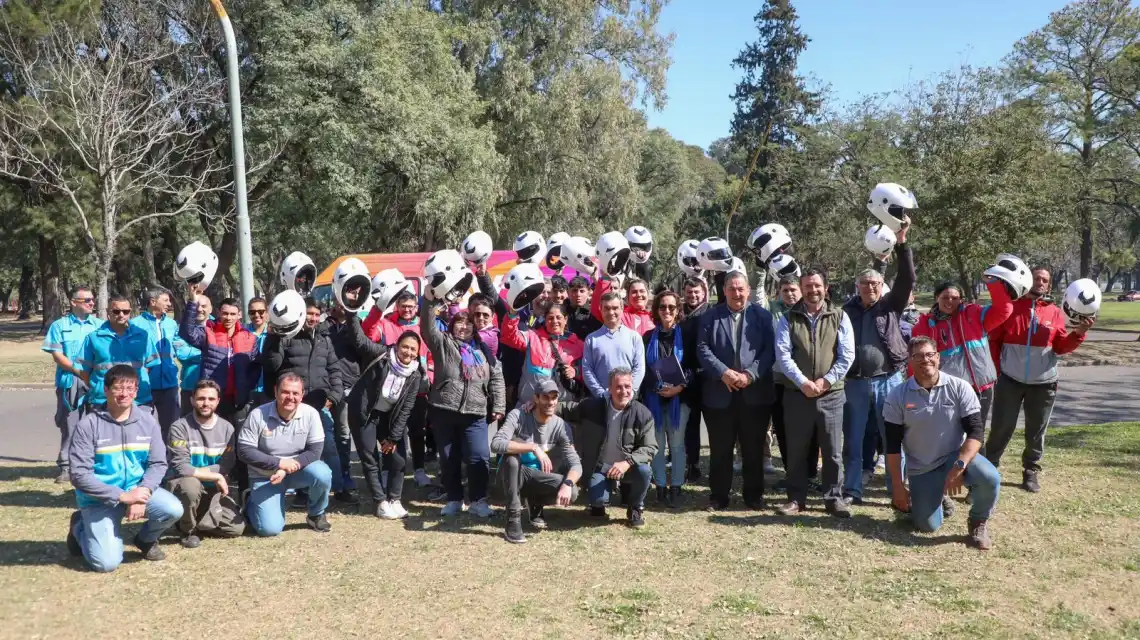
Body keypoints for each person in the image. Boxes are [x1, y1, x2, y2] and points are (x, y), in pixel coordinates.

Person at [883, 337, 1000, 549]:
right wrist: (898, 488)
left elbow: (976, 433)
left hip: (955, 458)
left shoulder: (960, 387)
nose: (924, 360)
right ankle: (937, 500)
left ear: (938, 357)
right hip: (922, 468)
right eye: (917, 356)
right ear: (910, 361)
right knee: (926, 526)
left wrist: (959, 466)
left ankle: (978, 522)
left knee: (990, 477)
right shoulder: (897, 395)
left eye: (929, 355)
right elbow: (892, 446)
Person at [66, 365, 183, 571]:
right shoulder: (88, 425)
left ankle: (145, 539)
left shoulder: (147, 422)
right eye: (118, 388)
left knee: (173, 509)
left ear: (137, 391)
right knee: (106, 563)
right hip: (99, 500)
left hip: (138, 490)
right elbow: (79, 475)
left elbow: (158, 463)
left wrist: (142, 492)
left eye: (130, 389)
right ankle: (80, 527)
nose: (124, 394)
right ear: (106, 390)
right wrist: (122, 496)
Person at [986, 267, 1092, 493]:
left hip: (1044, 384)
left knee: (1036, 430)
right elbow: (994, 341)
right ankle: (989, 467)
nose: (1040, 282)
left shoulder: (1054, 313)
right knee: (1001, 427)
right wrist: (997, 371)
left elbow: (1061, 346)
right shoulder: (1011, 308)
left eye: (1045, 280)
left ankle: (1031, 471)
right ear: (1027, 279)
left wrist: (1080, 331)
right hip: (1010, 380)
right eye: (1036, 278)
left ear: (1049, 285)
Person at [840, 219, 913, 503]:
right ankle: (852, 489)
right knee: (854, 439)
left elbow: (907, 279)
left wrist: (902, 243)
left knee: (893, 438)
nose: (869, 287)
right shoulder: (846, 311)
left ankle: (898, 489)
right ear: (857, 286)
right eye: (864, 283)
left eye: (874, 283)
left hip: (889, 381)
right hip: (855, 384)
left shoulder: (889, 306)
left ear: (881, 286)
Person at [775, 269, 855, 517]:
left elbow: (847, 355)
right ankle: (796, 500)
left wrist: (825, 381)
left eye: (817, 286)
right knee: (797, 450)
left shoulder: (840, 316)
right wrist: (803, 383)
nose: (813, 290)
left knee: (832, 451)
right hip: (797, 395)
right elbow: (783, 355)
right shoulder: (788, 319)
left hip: (831, 394)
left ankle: (833, 499)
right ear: (801, 288)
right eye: (807, 286)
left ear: (826, 287)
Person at [696, 271, 776, 511]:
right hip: (719, 395)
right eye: (732, 289)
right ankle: (719, 496)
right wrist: (724, 373)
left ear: (748, 290)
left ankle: (753, 496)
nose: (737, 293)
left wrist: (749, 375)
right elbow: (702, 348)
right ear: (724, 291)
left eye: (741, 289)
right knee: (720, 450)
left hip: (754, 395)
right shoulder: (710, 316)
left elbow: (770, 351)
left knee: (753, 449)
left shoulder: (762, 316)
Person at [261, 297, 351, 504]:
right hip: (292, 406)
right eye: (309, 313)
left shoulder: (324, 339)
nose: (313, 318)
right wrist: (274, 338)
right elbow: (272, 366)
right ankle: (302, 492)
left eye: (317, 315)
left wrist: (333, 396)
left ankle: (339, 488)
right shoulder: (286, 337)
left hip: (319, 406)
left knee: (329, 448)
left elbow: (334, 370)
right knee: (297, 450)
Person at [420, 301, 506, 517]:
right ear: (451, 326)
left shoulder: (483, 349)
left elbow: (496, 377)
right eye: (459, 323)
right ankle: (454, 499)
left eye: (469, 324)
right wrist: (430, 302)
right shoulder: (443, 343)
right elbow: (427, 328)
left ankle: (478, 500)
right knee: (449, 458)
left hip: (476, 412)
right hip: (444, 409)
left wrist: (498, 405)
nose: (464, 327)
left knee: (479, 456)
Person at [343, 305, 425, 519]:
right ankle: (380, 502)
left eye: (413, 350)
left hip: (388, 416)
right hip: (364, 412)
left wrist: (393, 437)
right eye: (404, 347)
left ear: (417, 354)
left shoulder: (415, 374)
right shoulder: (381, 355)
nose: (407, 352)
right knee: (370, 457)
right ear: (397, 346)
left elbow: (406, 407)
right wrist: (351, 311)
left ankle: (395, 499)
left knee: (398, 457)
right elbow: (359, 340)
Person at [180, 288, 260, 494]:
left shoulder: (249, 337)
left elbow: (255, 367)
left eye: (233, 314)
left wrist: (246, 387)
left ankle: (244, 491)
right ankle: (211, 491)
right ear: (219, 312)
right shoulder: (209, 332)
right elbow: (186, 333)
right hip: (214, 402)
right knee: (213, 446)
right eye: (224, 313)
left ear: (239, 315)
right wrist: (192, 302)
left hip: (239, 402)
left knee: (242, 446)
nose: (228, 318)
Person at [554, 368, 656, 528]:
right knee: (598, 500)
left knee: (644, 471)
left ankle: (635, 507)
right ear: (609, 388)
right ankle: (598, 504)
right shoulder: (594, 407)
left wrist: (627, 462)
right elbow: (567, 408)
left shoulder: (643, 414)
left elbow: (650, 447)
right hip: (601, 468)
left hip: (628, 467)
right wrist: (541, 404)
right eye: (619, 387)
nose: (624, 391)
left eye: (627, 386)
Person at [238, 373, 333, 535]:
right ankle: (251, 502)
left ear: (302, 395)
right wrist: (279, 464)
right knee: (269, 529)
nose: (290, 397)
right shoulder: (257, 414)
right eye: (285, 392)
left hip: (296, 471)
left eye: (295, 393)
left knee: (322, 473)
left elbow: (315, 451)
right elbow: (244, 451)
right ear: (276, 391)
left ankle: (316, 514)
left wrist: (285, 468)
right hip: (265, 476)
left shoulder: (311, 414)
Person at [912, 278, 1016, 427]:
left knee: (976, 434)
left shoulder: (973, 314)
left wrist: (994, 283)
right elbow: (916, 360)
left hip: (980, 388)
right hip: (947, 391)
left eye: (955, 298)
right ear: (937, 298)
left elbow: (1004, 310)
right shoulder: (924, 325)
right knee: (950, 435)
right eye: (945, 297)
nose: (950, 301)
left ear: (961, 300)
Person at [492, 379, 582, 543]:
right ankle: (513, 519)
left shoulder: (561, 426)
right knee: (511, 459)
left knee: (573, 491)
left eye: (554, 397)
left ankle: (534, 503)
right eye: (546, 397)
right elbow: (496, 444)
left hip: (537, 477)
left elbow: (576, 464)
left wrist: (567, 485)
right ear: (536, 398)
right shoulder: (518, 415)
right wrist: (533, 447)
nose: (550, 402)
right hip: (510, 476)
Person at [363, 290, 435, 488]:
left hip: (418, 388)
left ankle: (419, 470)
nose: (407, 310)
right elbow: (369, 331)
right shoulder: (387, 323)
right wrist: (377, 309)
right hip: (391, 390)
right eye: (403, 306)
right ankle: (388, 470)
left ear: (416, 308)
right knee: (392, 432)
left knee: (417, 431)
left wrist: (429, 376)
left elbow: (432, 353)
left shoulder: (424, 326)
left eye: (411, 307)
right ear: (397, 307)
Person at [166, 380, 246, 548]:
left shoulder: (227, 428)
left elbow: (227, 464)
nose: (206, 403)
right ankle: (187, 530)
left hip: (213, 489)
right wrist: (215, 475)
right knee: (190, 485)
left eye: (211, 399)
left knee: (236, 528)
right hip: (185, 485)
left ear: (218, 401)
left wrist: (212, 475)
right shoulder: (179, 427)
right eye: (201, 398)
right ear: (192, 400)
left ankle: (197, 520)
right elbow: (181, 467)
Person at [643, 290, 697, 507]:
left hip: (679, 399)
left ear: (678, 310)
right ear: (656, 309)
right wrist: (655, 386)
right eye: (663, 306)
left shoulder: (686, 335)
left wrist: (679, 387)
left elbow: (693, 367)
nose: (667, 311)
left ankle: (676, 487)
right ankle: (660, 488)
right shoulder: (647, 337)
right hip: (653, 399)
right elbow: (644, 370)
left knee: (676, 445)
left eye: (671, 307)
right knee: (656, 445)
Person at [41, 285, 99, 483]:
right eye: (87, 300)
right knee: (70, 424)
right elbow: (57, 355)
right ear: (74, 302)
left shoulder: (99, 325)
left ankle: (91, 464)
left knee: (96, 424)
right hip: (70, 380)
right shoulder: (59, 325)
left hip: (94, 381)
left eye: (93, 299)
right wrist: (77, 371)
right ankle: (67, 466)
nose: (92, 303)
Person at [767, 276, 819, 487]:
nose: (789, 294)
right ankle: (792, 474)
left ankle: (810, 474)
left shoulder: (809, 312)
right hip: (780, 382)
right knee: (783, 429)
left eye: (793, 290)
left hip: (807, 383)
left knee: (811, 431)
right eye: (785, 290)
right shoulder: (773, 311)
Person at [75, 295, 158, 412]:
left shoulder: (143, 336)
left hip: (138, 400)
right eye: (116, 311)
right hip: (102, 401)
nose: (121, 315)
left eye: (125, 311)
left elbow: (152, 365)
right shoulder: (93, 338)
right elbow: (83, 370)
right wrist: (98, 387)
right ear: (108, 312)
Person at [500, 300, 585, 404]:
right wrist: (512, 314)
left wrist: (576, 371)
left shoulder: (579, 345)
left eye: (558, 317)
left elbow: (589, 370)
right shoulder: (532, 336)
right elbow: (509, 336)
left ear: (565, 319)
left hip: (561, 407)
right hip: (530, 404)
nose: (554, 321)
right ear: (545, 320)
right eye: (550, 318)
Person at [323, 295, 365, 501]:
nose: (342, 304)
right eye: (339, 300)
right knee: (322, 435)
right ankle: (326, 477)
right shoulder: (323, 326)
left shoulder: (357, 325)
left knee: (343, 434)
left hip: (348, 386)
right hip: (324, 388)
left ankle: (344, 475)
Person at [131, 287, 185, 436]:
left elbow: (179, 348)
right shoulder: (135, 324)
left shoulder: (172, 324)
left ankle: (169, 458)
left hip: (169, 384)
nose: (169, 304)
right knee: (144, 427)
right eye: (166, 300)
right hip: (145, 385)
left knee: (172, 428)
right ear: (153, 301)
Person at [582, 291, 645, 398]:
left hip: (628, 399)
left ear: (622, 309)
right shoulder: (591, 339)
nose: (611, 312)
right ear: (600, 310)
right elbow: (587, 369)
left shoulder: (634, 337)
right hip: (601, 400)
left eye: (615, 308)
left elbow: (639, 368)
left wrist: (629, 392)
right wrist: (601, 393)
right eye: (606, 308)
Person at [680, 277, 709, 481]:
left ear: (704, 292)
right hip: (686, 376)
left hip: (708, 376)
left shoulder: (712, 312)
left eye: (697, 292)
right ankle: (693, 464)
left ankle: (718, 465)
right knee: (690, 424)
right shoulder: (679, 313)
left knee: (714, 423)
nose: (693, 296)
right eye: (689, 292)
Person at [175, 294, 210, 412]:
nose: (200, 309)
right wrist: (209, 353)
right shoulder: (181, 329)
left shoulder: (218, 327)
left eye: (204, 306)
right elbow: (182, 353)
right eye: (197, 306)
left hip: (212, 387)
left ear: (210, 308)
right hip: (190, 385)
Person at [590, 276, 655, 335]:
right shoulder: (620, 315)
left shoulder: (656, 317)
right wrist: (605, 280)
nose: (638, 295)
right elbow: (600, 309)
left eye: (642, 291)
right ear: (628, 296)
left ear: (647, 294)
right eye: (634, 292)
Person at [246, 296, 270, 405]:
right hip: (247, 389)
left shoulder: (274, 333)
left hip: (268, 389)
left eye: (260, 311)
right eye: (252, 312)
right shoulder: (242, 333)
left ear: (267, 312)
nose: (256, 315)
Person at [566, 275, 601, 340]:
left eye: (582, 291)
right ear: (568, 292)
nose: (578, 294)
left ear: (589, 292)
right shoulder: (562, 310)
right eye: (574, 290)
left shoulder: (594, 313)